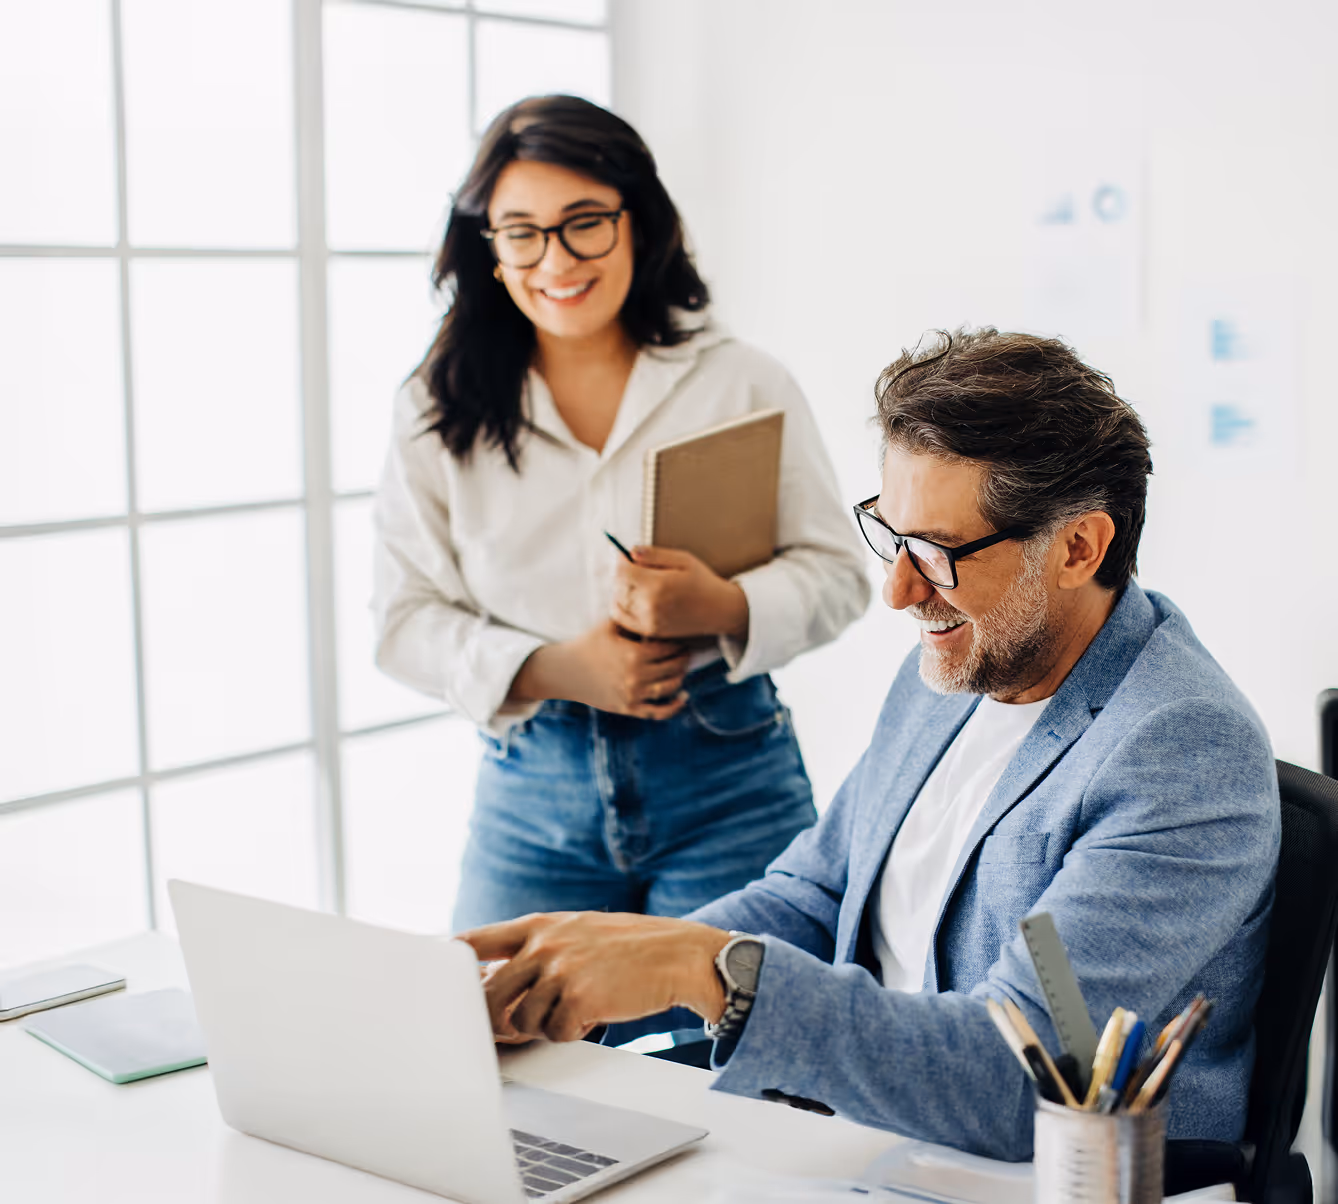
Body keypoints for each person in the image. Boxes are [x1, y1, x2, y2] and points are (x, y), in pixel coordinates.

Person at [461, 328, 1280, 1160]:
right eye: (892, 536)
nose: (898, 591)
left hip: (1028, 1171)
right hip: (864, 1141)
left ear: (1079, 547)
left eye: (936, 551)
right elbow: (813, 899)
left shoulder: (1178, 751)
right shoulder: (957, 668)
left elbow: (1021, 1073)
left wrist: (700, 969)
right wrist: (594, 971)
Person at [373, 95, 868, 933]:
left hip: (726, 773)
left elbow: (839, 574)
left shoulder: (741, 381)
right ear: (488, 248)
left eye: (584, 222)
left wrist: (719, 603)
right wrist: (561, 667)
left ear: (638, 221)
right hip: (531, 787)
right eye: (521, 231)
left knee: (734, 1054)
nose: (554, 258)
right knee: (493, 1043)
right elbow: (403, 620)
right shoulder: (436, 405)